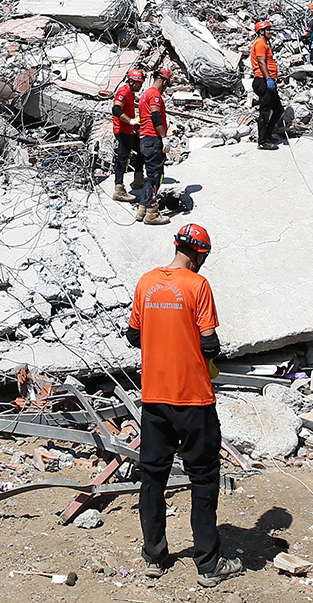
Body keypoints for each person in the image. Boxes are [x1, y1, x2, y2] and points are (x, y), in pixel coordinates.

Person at [129, 224, 240, 587]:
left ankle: (154, 557)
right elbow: (210, 345)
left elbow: (133, 335)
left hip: (154, 399)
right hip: (193, 398)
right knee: (204, 478)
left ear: (177, 245)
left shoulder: (146, 282)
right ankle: (208, 565)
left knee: (152, 477)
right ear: (200, 254)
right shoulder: (197, 286)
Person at [135, 66, 172, 225]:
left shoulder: (144, 95)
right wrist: (164, 137)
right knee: (156, 175)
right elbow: (156, 115)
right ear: (164, 81)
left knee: (150, 176)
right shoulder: (155, 95)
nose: (165, 89)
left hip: (144, 139)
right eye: (166, 85)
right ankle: (152, 213)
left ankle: (142, 207)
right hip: (153, 139)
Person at [111, 67, 146, 202]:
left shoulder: (131, 93)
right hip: (122, 130)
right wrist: (130, 121)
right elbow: (116, 109)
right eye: (139, 83)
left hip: (129, 130)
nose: (141, 86)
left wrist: (136, 127)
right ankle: (118, 189)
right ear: (131, 81)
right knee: (122, 158)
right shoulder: (124, 91)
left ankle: (138, 179)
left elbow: (130, 111)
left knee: (141, 150)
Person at [249, 20, 282, 150]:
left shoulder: (264, 44)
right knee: (265, 111)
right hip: (263, 80)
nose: (270, 32)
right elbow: (262, 63)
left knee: (278, 110)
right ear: (261, 32)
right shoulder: (260, 43)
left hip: (268, 80)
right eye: (268, 30)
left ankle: (267, 136)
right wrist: (268, 79)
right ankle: (262, 141)